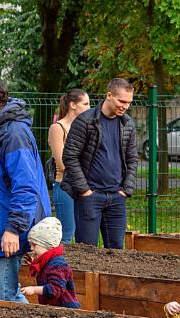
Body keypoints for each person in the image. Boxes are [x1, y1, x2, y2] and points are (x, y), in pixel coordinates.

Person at [0, 72, 51, 302]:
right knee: (7, 294)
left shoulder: (13, 134)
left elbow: (25, 187)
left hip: (6, 229)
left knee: (0, 299)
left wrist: (13, 229)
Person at [61, 78, 138, 248]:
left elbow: (132, 158)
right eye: (122, 101)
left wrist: (126, 190)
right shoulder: (85, 121)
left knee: (116, 251)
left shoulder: (127, 124)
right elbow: (70, 156)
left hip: (117, 197)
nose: (125, 106)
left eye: (129, 102)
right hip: (90, 198)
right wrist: (84, 190)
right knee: (88, 252)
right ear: (109, 95)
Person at [48, 89, 90, 244]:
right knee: (67, 234)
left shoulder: (85, 127)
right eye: (85, 104)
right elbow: (62, 163)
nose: (89, 108)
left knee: (84, 235)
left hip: (84, 186)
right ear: (73, 105)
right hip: (65, 186)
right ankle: (59, 267)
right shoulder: (57, 128)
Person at [20, 217, 81, 308]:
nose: (31, 248)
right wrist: (35, 263)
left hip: (66, 309)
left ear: (46, 245)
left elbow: (55, 289)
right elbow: (47, 272)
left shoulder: (58, 265)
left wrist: (34, 289)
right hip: (53, 308)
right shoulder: (49, 261)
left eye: (34, 245)